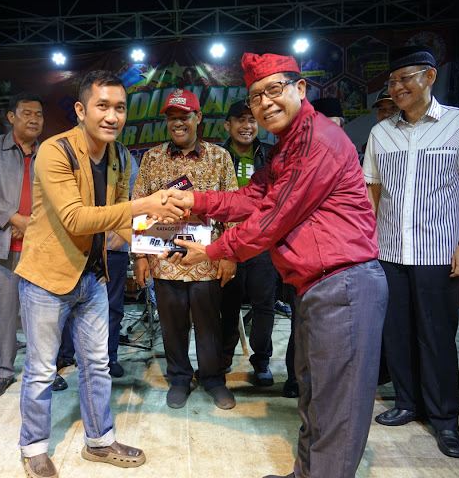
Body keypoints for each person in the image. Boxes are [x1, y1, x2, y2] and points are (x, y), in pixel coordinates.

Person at [162, 53, 388, 478]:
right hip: (316, 286)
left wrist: (211, 251)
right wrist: (196, 200)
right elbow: (253, 196)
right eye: (255, 97)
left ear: (300, 89)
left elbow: (272, 218)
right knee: (314, 396)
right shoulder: (289, 145)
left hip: (344, 285)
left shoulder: (319, 141)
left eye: (273, 90)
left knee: (337, 410)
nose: (264, 103)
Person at [14, 70, 184, 478]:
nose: (112, 116)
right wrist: (146, 205)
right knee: (41, 370)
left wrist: (162, 241)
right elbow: (76, 218)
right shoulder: (55, 151)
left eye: (120, 108)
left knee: (97, 364)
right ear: (80, 110)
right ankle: (33, 448)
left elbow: (119, 222)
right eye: (102, 106)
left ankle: (100, 441)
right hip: (46, 279)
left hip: (92, 277)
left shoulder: (120, 156)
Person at [363, 45, 459, 458]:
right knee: (398, 333)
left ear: (430, 76)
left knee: (437, 336)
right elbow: (371, 191)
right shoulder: (381, 133)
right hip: (389, 251)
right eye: (392, 81)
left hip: (438, 252)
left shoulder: (458, 124)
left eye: (405, 78)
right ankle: (407, 402)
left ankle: (445, 418)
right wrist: (367, 246)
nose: (397, 87)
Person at [133, 89, 238, 411]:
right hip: (164, 258)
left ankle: (213, 378)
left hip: (208, 259)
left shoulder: (219, 157)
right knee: (172, 324)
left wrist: (230, 256)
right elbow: (137, 207)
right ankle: (179, 377)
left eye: (185, 116)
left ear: (198, 118)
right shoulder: (152, 159)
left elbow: (234, 209)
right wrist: (140, 256)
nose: (178, 123)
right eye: (172, 118)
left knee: (210, 325)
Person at [0, 92, 52, 399]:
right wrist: (16, 220)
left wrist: (36, 226)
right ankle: (3, 371)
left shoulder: (49, 151)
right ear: (11, 117)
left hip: (40, 247)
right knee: (3, 312)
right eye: (26, 113)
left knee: (42, 315)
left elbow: (58, 197)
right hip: (1, 245)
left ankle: (42, 371)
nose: (33, 119)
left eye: (38, 115)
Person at [218, 99, 278, 388]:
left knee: (264, 304)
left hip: (263, 242)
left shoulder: (271, 155)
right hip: (229, 242)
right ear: (227, 126)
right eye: (240, 120)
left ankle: (262, 360)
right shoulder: (217, 156)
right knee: (227, 305)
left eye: (252, 120)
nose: (247, 125)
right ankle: (223, 359)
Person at [105, 154, 139, 378]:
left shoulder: (124, 157)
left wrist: (125, 229)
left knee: (113, 307)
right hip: (77, 246)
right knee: (70, 305)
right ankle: (66, 355)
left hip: (113, 246)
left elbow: (138, 198)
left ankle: (110, 356)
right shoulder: (71, 152)